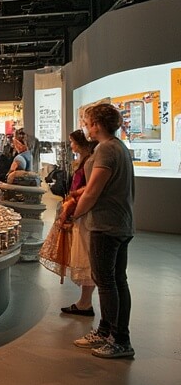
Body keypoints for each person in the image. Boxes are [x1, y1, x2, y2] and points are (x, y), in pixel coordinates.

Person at [71, 103, 136, 359]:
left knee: (107, 281)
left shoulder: (107, 149)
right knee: (117, 280)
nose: (86, 127)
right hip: (119, 223)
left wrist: (73, 214)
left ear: (97, 124)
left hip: (106, 225)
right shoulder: (116, 147)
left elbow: (94, 190)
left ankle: (119, 340)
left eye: (87, 122)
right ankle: (107, 331)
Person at [55, 129, 99, 316]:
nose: (70, 145)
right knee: (83, 257)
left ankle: (85, 303)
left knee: (85, 259)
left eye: (72, 142)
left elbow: (88, 189)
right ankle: (84, 301)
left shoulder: (89, 163)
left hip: (83, 215)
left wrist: (73, 206)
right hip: (79, 212)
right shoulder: (84, 161)